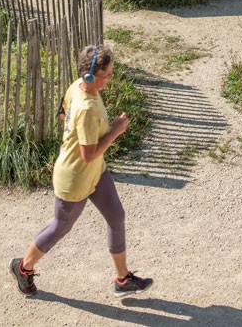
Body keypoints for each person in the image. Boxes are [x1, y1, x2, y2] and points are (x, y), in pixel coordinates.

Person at [10, 45, 154, 300]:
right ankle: (23, 268)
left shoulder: (78, 85)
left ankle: (122, 279)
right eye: (107, 73)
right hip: (75, 177)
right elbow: (87, 154)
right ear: (90, 75)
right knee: (59, 228)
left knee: (116, 216)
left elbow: (62, 113)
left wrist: (73, 136)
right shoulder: (87, 107)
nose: (111, 76)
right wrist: (115, 131)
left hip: (95, 171)